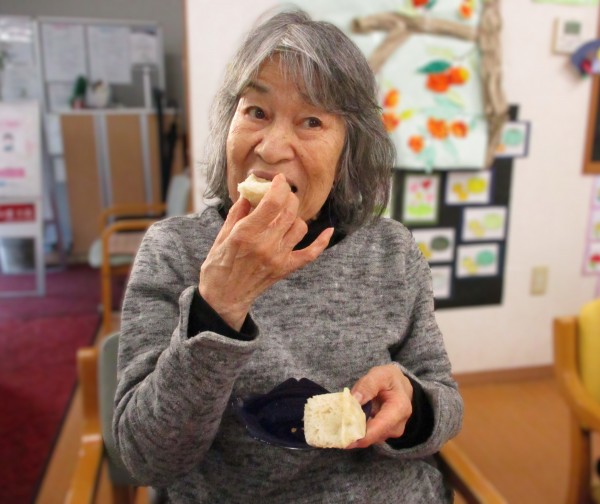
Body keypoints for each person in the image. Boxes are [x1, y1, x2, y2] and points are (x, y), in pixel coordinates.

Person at [113, 9, 463, 503]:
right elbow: (146, 457)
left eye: (311, 121)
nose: (273, 148)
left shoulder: (392, 251)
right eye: (256, 111)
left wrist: (413, 406)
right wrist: (219, 306)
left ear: (348, 151)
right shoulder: (173, 249)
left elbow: (444, 398)